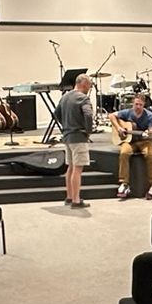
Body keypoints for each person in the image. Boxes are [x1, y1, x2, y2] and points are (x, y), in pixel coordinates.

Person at [55, 73, 97, 208]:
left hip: (67, 136)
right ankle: (76, 200)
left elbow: (56, 114)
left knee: (71, 167)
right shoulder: (83, 98)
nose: (89, 88)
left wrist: (65, 126)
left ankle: (69, 196)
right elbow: (88, 114)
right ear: (84, 84)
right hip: (79, 137)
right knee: (78, 169)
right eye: (89, 85)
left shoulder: (64, 97)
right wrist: (88, 130)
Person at [112, 91, 152, 200]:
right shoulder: (127, 112)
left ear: (144, 105)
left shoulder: (149, 116)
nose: (138, 107)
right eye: (136, 104)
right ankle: (124, 183)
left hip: (145, 141)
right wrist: (118, 128)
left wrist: (149, 133)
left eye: (140, 105)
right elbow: (111, 116)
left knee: (150, 155)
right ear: (133, 103)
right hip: (130, 141)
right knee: (124, 153)